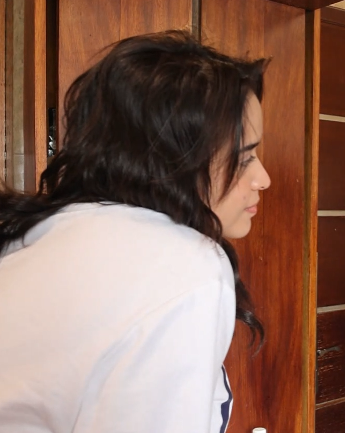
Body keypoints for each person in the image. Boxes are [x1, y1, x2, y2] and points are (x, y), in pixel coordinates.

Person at [0, 30, 271, 433]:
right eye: (244, 158)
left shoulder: (39, 234)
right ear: (175, 157)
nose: (262, 179)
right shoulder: (186, 266)